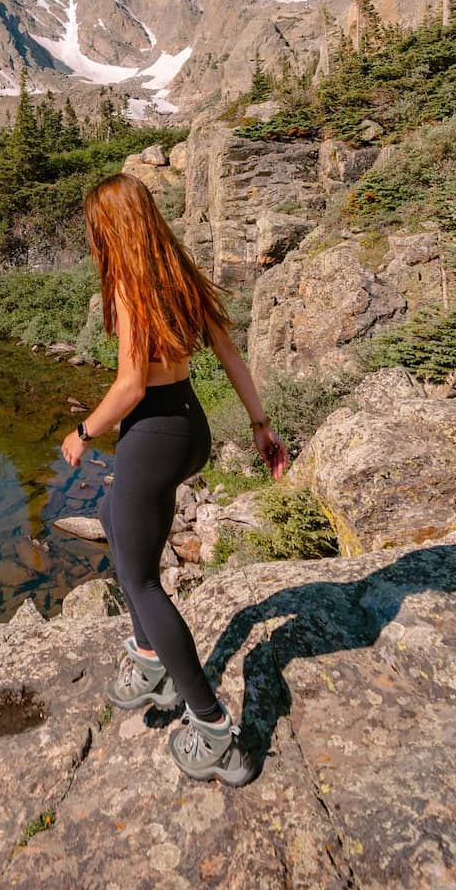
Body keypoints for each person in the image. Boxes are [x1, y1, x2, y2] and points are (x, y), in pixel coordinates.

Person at [61, 172, 288, 786]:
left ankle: (214, 730)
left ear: (112, 227)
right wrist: (260, 425)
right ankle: (150, 656)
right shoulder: (177, 272)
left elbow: (131, 385)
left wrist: (82, 434)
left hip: (153, 433)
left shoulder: (134, 287)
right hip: (189, 427)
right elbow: (230, 353)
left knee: (139, 578)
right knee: (112, 518)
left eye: (95, 228)